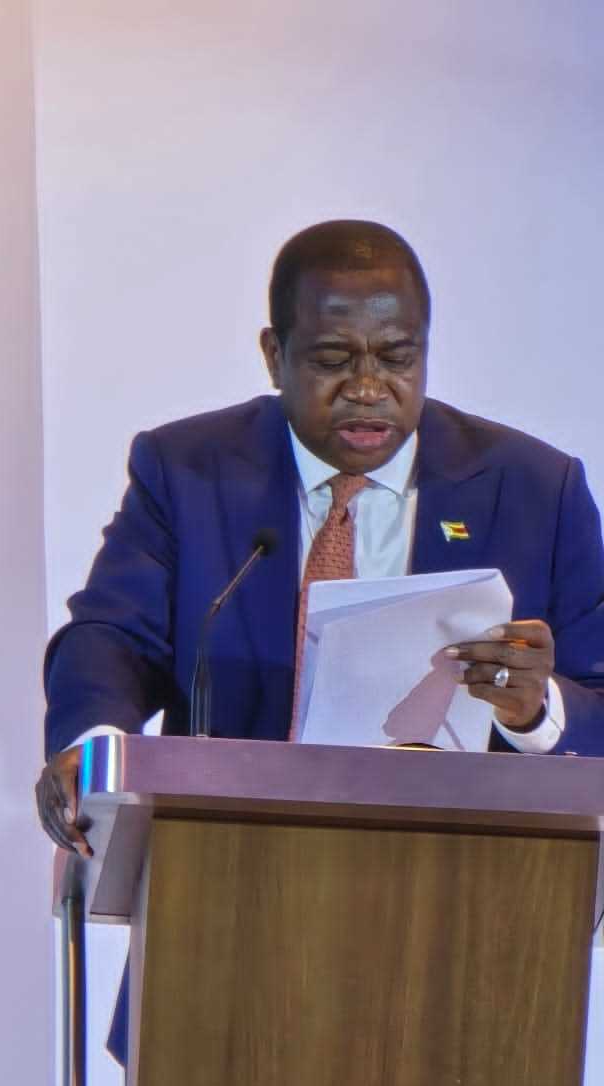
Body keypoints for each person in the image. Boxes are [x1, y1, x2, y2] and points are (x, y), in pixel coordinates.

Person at [36, 220, 604, 856]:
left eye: (397, 358)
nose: (367, 389)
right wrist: (92, 750)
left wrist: (537, 709)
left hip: (467, 878)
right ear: (274, 355)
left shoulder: (534, 491)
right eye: (333, 361)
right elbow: (112, 636)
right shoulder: (188, 470)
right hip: (229, 866)